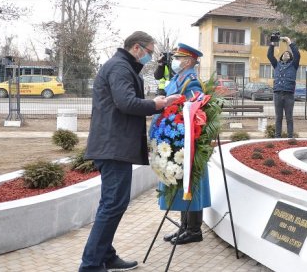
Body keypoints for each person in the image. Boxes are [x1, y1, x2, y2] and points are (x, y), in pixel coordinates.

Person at [79, 31, 180, 272]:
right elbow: (125, 103)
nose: (149, 58)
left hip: (114, 146)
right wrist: (157, 105)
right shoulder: (120, 68)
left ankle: (106, 255)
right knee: (113, 204)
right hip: (113, 147)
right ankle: (91, 265)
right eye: (148, 52)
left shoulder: (122, 66)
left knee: (112, 203)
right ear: (136, 48)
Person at [158, 43, 211, 245]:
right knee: (181, 184)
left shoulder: (192, 82)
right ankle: (184, 226)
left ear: (189, 60)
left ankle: (194, 230)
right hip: (175, 139)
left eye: (179, 58)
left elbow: (191, 113)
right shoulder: (178, 77)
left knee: (191, 183)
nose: (176, 61)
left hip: (187, 141)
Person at [267, 36, 300, 138]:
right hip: (277, 94)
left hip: (289, 95)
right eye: (284, 53)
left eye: (288, 54)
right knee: (278, 117)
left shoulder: (293, 65)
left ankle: (290, 137)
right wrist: (272, 43)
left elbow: (297, 55)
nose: (286, 54)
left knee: (289, 117)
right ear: (281, 57)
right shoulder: (276, 64)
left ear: (291, 57)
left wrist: (289, 42)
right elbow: (269, 55)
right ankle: (277, 137)